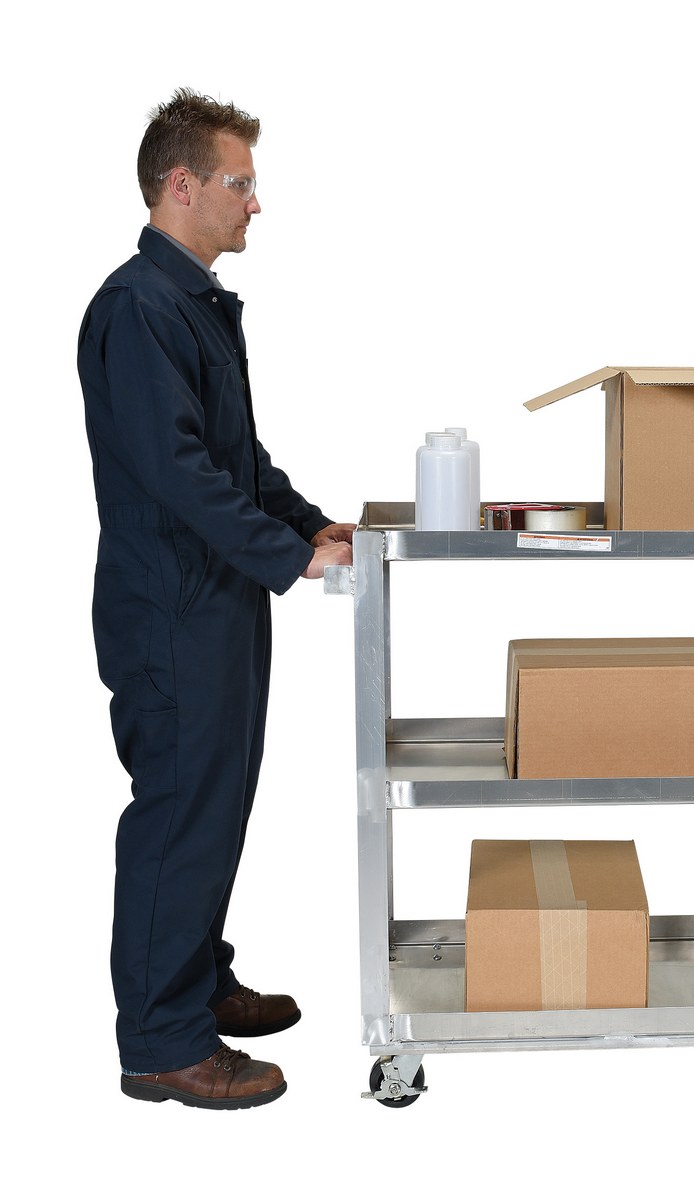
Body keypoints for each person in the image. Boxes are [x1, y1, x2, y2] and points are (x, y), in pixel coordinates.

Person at [78, 88, 353, 1110]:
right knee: (179, 813)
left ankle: (194, 979)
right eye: (240, 183)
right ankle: (161, 1042)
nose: (255, 203)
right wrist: (287, 558)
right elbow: (177, 473)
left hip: (218, 599)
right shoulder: (139, 308)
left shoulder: (191, 303)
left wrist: (306, 526)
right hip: (173, 608)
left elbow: (236, 459)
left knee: (217, 804)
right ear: (181, 184)